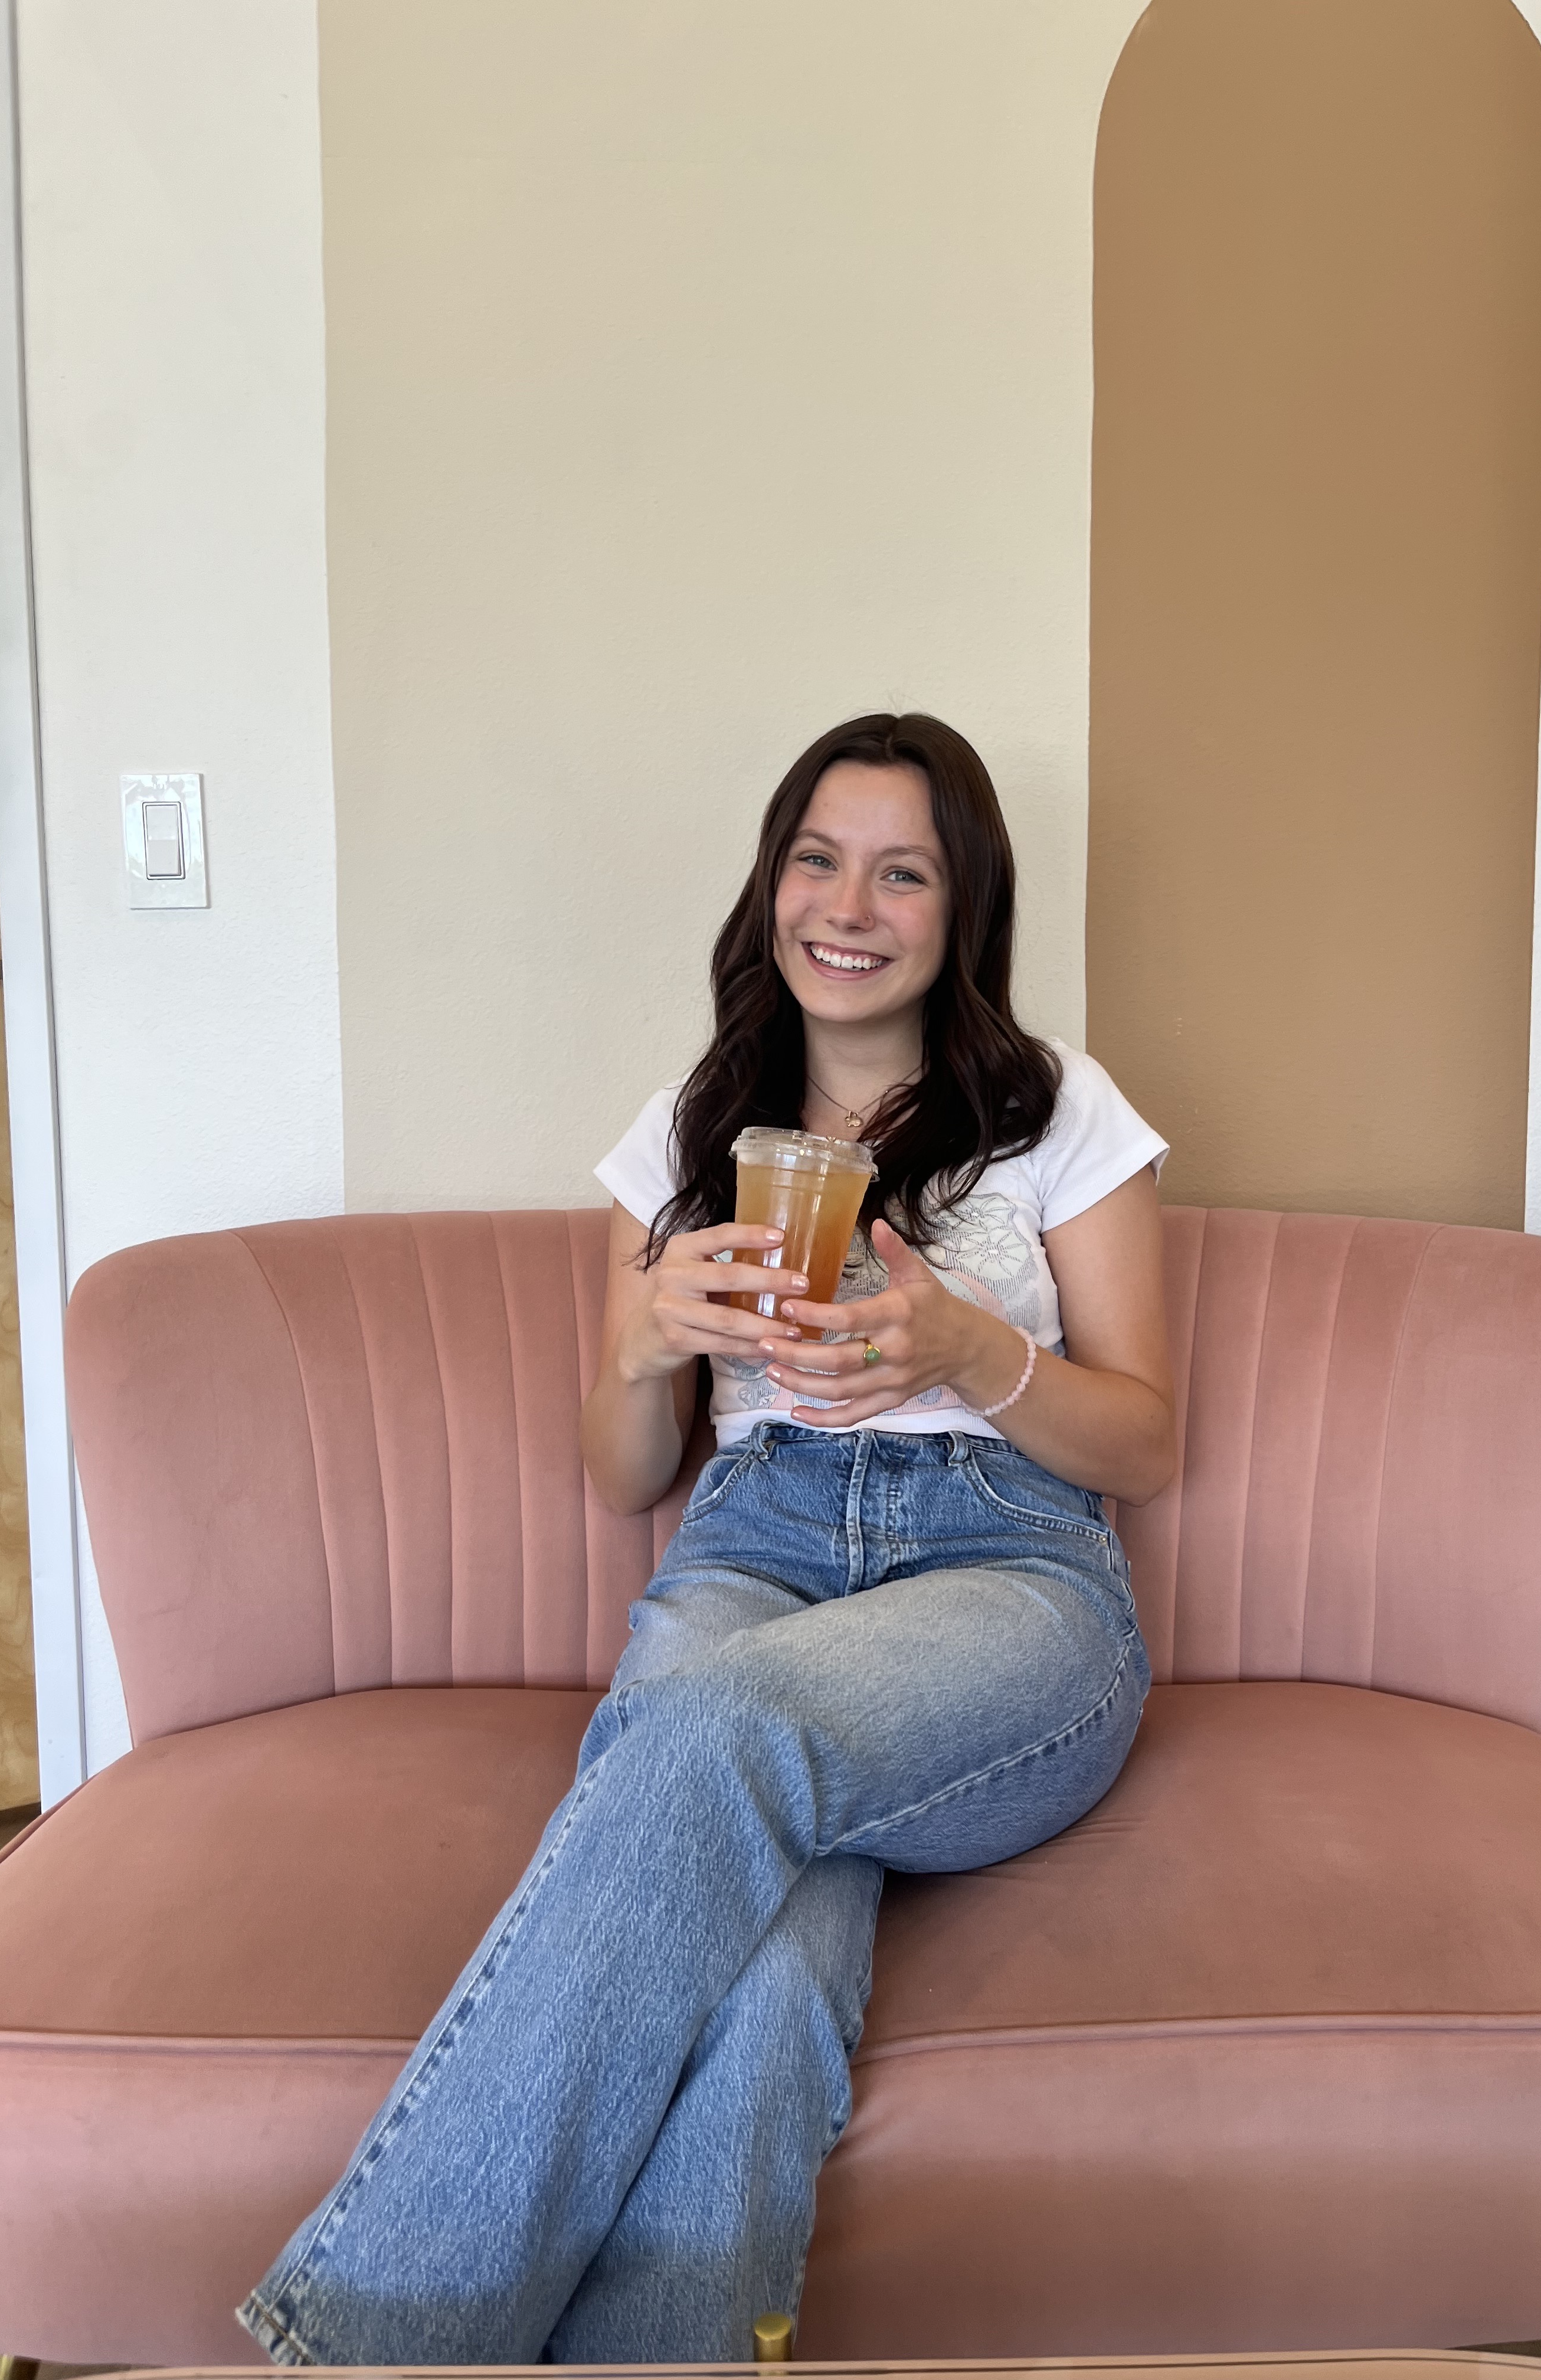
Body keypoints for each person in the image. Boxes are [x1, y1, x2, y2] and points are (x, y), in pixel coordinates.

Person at [238, 712, 1176, 2367]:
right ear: (770, 883)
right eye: (819, 857)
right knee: (762, 1975)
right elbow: (622, 1477)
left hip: (1009, 1573)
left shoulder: (1056, 1110)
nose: (850, 903)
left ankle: (372, 2348)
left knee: (707, 1737)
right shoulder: (690, 1130)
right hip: (758, 1542)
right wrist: (643, 1341)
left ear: (966, 913)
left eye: (905, 872)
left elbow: (1151, 1438)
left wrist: (970, 1348)